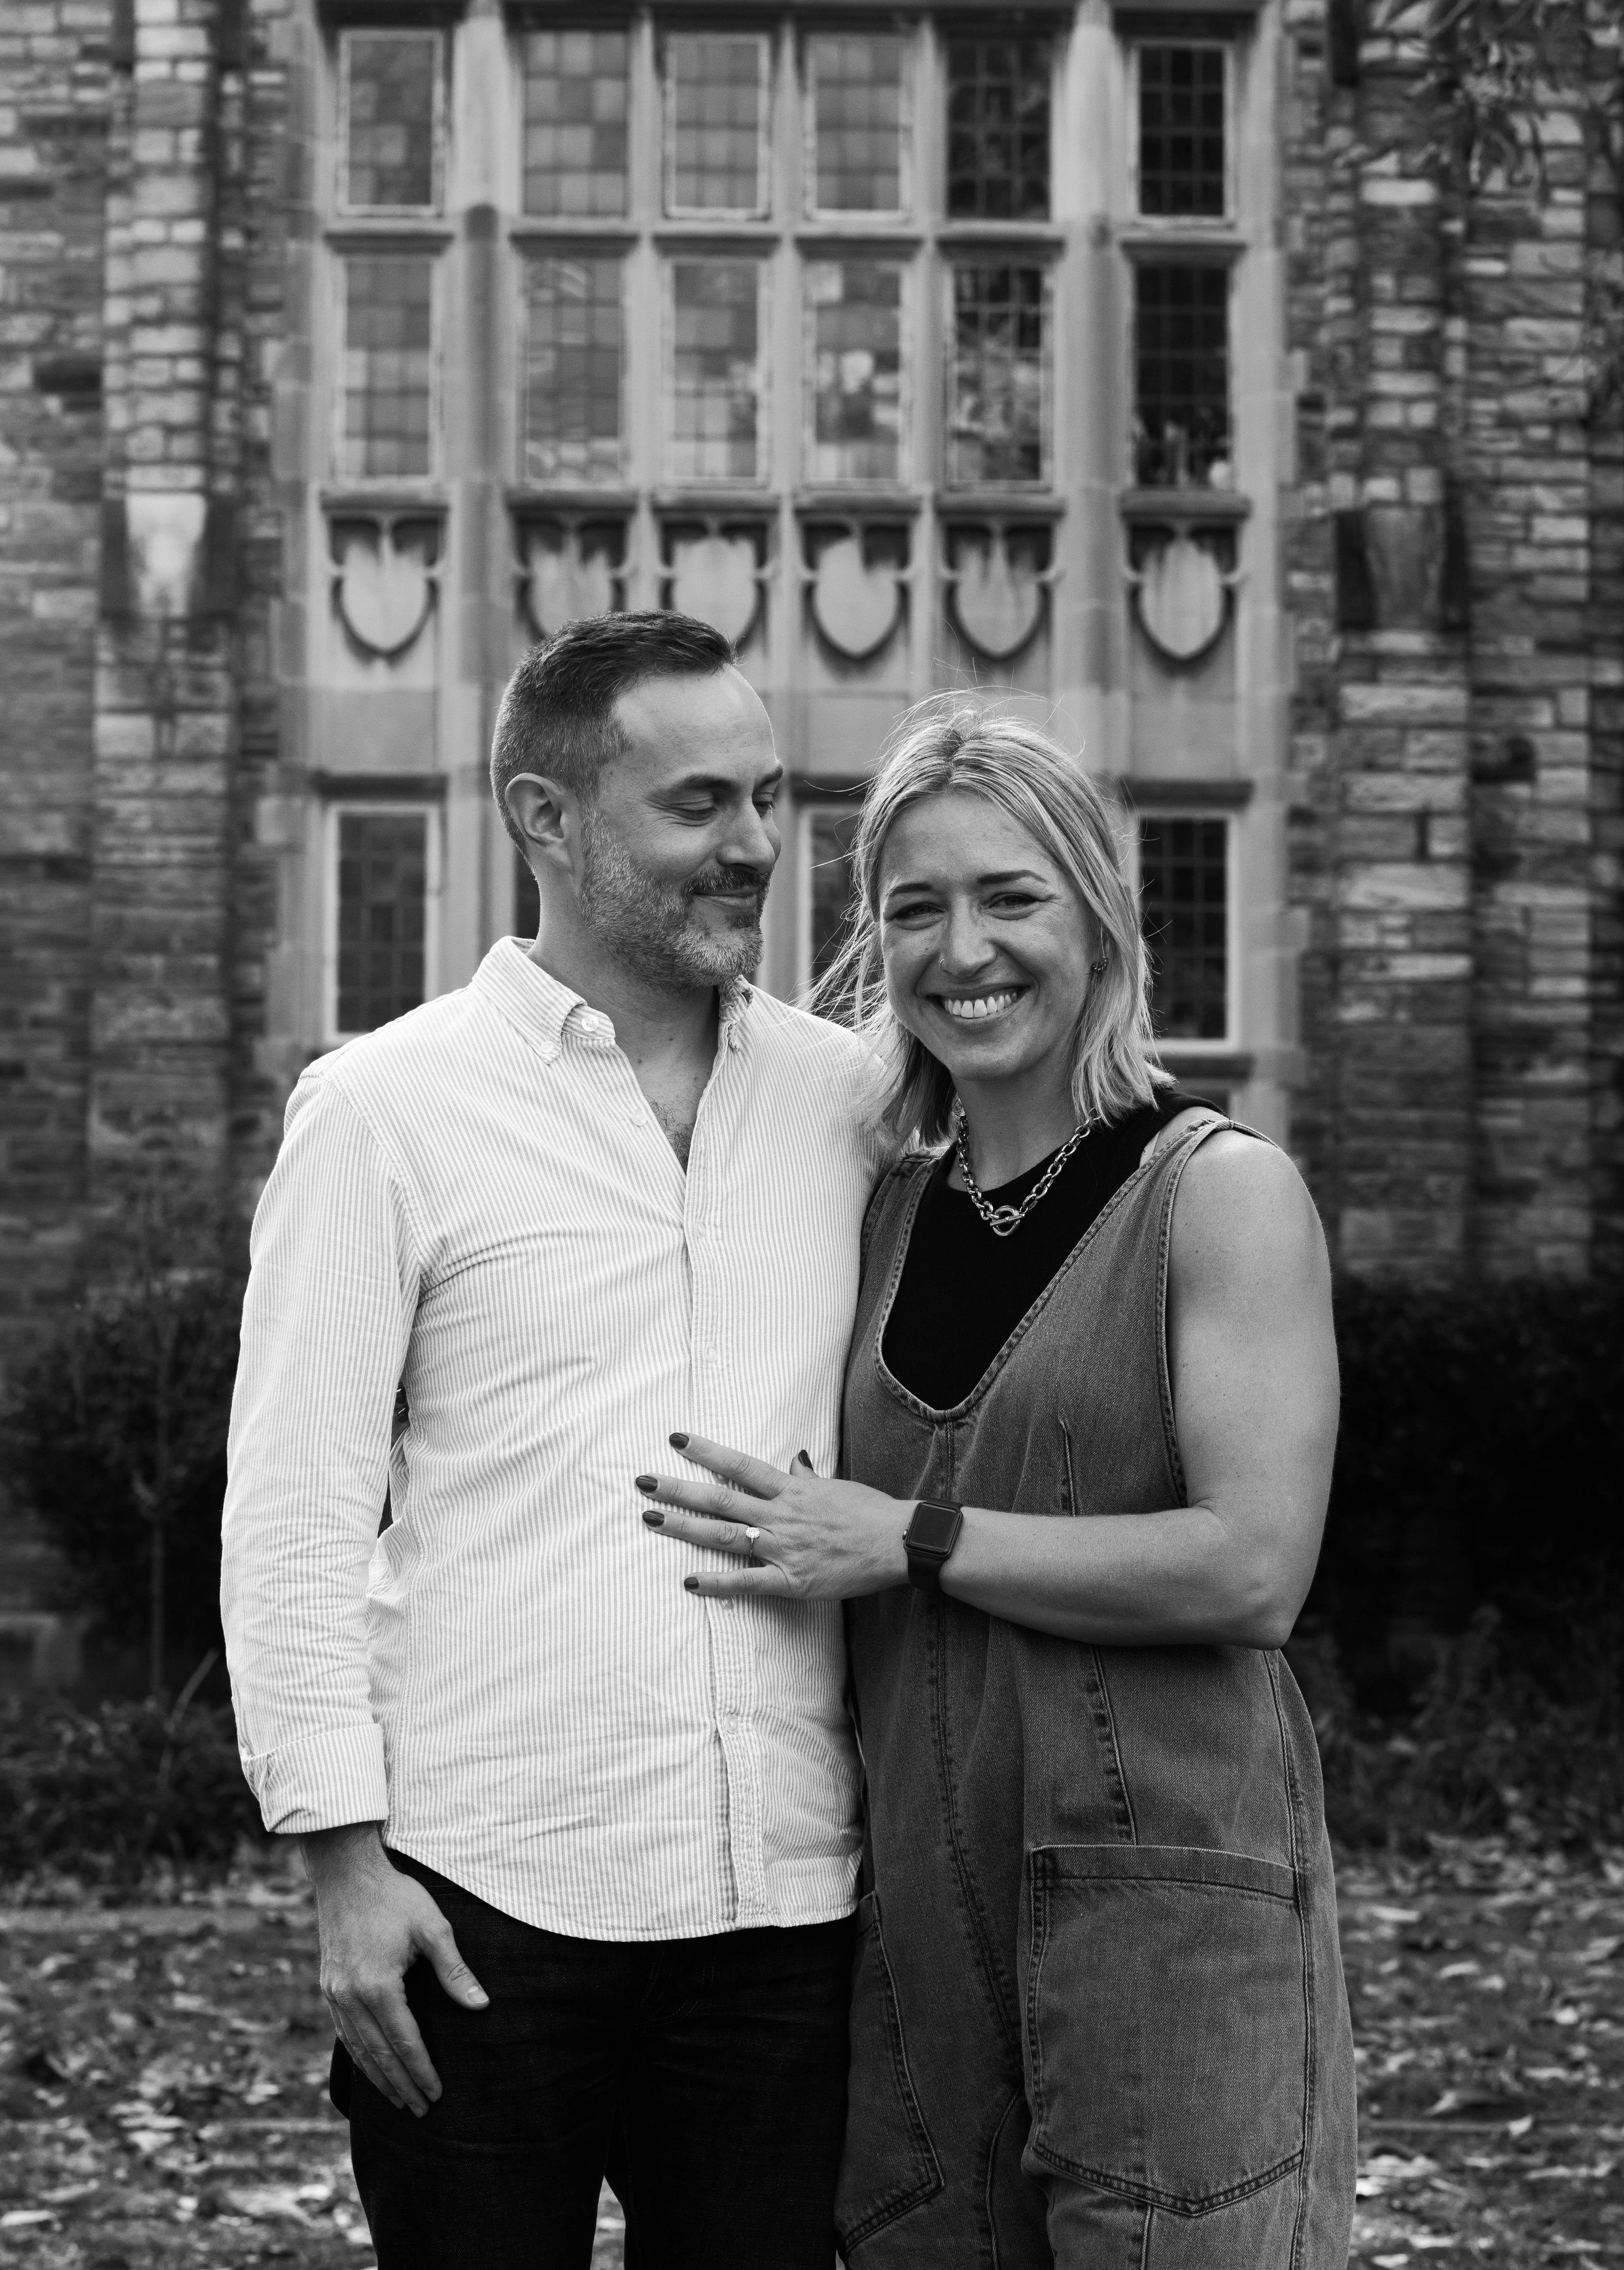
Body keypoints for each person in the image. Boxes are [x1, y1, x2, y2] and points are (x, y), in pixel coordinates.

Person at [636, 705, 1357, 2269]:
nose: (962, 946)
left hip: (1167, 1923)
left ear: (1096, 910)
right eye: (913, 907)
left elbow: (1252, 1569)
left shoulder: (1219, 1193)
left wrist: (910, 1536)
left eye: (1008, 895)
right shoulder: (878, 1213)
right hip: (915, 1928)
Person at [221, 611, 886, 2270]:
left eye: (767, 796)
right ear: (544, 819)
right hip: (479, 1905)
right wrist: (339, 1871)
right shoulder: (384, 1108)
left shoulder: (851, 1099)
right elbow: (294, 1506)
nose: (753, 846)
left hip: (784, 1908)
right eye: (696, 806)